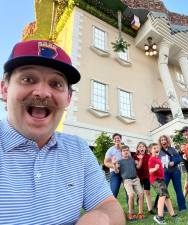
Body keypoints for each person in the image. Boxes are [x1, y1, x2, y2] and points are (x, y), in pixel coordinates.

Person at [0, 39, 125, 225]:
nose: (42, 92)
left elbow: (108, 204)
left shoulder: (79, 149)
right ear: (4, 89)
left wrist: (101, 217)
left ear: (68, 98)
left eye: (56, 83)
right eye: (28, 79)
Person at [155, 135, 186, 212]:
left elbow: (179, 158)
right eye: (162, 140)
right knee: (163, 190)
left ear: (167, 141)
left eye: (164, 140)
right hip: (165, 173)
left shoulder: (172, 149)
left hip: (175, 172)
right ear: (160, 142)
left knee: (178, 189)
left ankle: (182, 207)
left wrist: (174, 162)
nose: (163, 141)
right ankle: (163, 207)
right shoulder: (159, 151)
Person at [148, 143, 177, 224]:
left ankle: (173, 214)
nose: (156, 149)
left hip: (161, 179)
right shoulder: (152, 159)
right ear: (150, 151)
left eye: (157, 148)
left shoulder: (158, 159)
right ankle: (159, 216)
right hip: (155, 180)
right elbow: (150, 171)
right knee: (163, 195)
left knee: (167, 197)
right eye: (154, 148)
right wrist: (155, 168)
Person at [113, 145, 144, 221]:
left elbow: (138, 167)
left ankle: (140, 213)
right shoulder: (119, 162)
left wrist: (141, 160)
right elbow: (116, 171)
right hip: (127, 181)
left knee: (141, 194)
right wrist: (114, 164)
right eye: (124, 151)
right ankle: (131, 214)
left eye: (127, 150)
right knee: (131, 195)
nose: (126, 152)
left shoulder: (132, 160)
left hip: (136, 179)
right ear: (121, 153)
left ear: (129, 151)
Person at [134, 141, 155, 214]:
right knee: (140, 193)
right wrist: (140, 159)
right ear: (137, 149)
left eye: (143, 146)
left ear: (145, 148)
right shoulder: (135, 156)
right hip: (138, 177)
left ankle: (150, 209)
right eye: (140, 147)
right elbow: (138, 167)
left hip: (146, 177)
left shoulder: (149, 156)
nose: (141, 148)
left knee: (147, 192)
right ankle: (140, 209)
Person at [104, 133, 123, 197]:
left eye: (118, 138)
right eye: (115, 138)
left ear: (121, 139)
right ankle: (111, 206)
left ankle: (130, 207)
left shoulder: (124, 148)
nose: (117, 139)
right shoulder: (110, 150)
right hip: (115, 172)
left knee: (128, 192)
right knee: (113, 192)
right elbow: (106, 162)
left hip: (125, 172)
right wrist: (114, 165)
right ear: (113, 140)